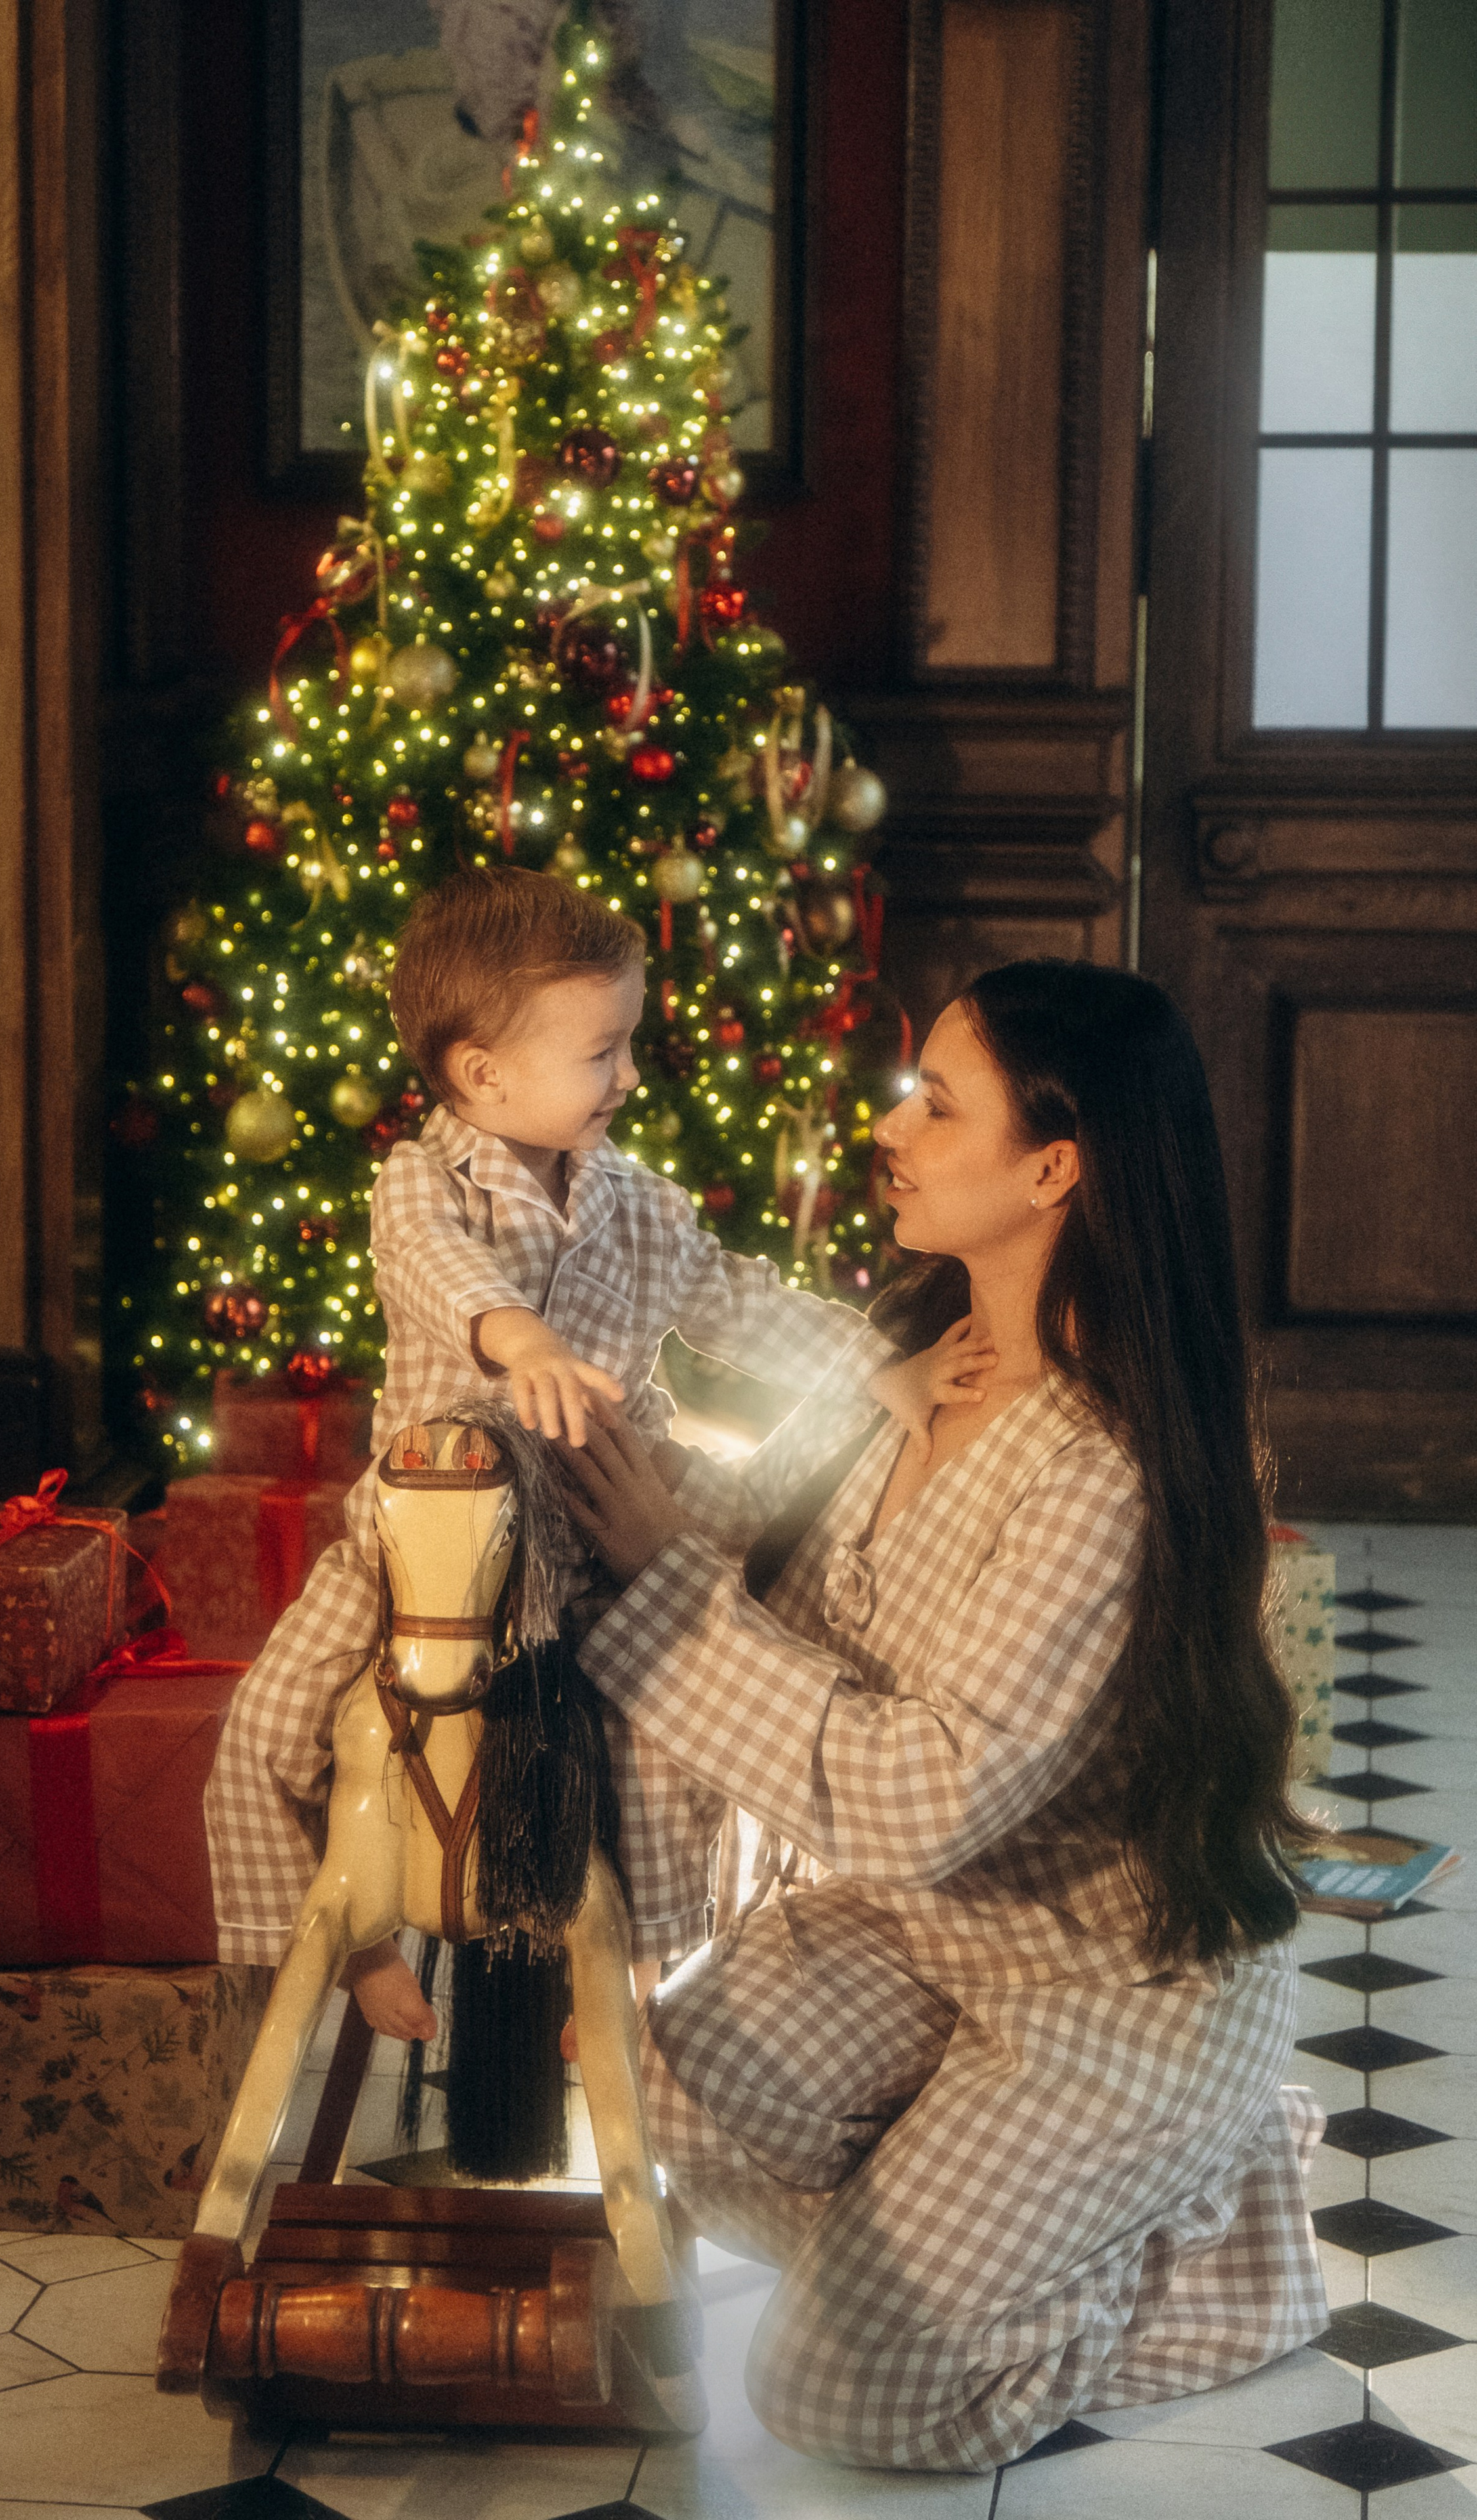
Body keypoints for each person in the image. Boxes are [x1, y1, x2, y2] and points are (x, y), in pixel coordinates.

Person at [557, 958, 1328, 2472]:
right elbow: (772, 1592)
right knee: (667, 2104)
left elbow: (913, 1800)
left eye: (936, 1102)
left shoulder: (1099, 1465)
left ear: (1053, 1167)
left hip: (1112, 2002)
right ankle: (986, 2214)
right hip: (926, 1941)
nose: (891, 1127)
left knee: (839, 2396)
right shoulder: (916, 1367)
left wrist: (656, 1580)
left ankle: (1198, 2220)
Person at [203, 866, 912, 2035]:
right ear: (484, 1072)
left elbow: (734, 1298)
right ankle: (352, 1939)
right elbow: (442, 1276)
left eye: (628, 1044)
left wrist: (874, 1361)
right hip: (424, 1551)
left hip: (592, 1543)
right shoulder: (422, 1187)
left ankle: (638, 1970)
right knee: (267, 1729)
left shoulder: (637, 1205)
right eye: (603, 1051)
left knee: (665, 1748)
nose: (630, 1076)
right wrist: (519, 1337)